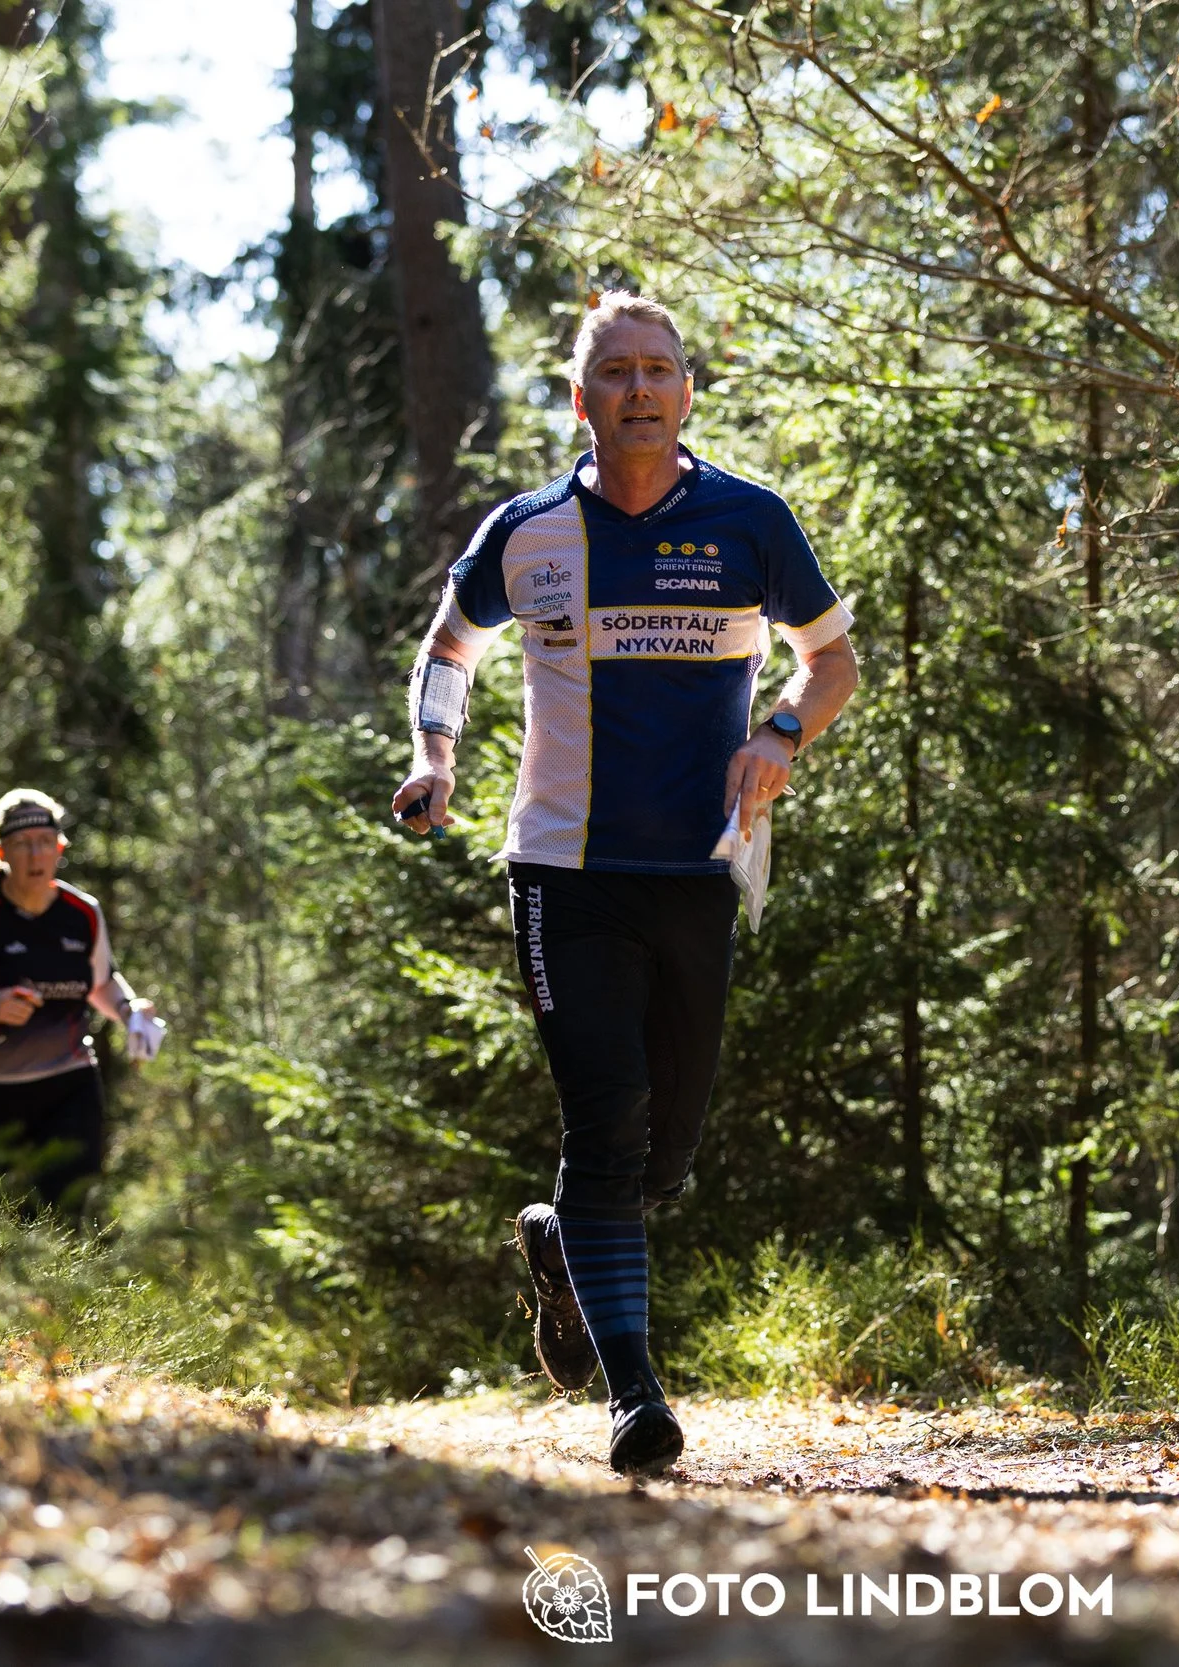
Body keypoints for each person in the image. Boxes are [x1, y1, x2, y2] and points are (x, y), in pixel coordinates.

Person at [391, 292, 860, 1475]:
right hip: (562, 869)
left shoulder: (750, 521)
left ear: (687, 391)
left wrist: (783, 733)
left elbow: (833, 659)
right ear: (580, 395)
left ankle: (562, 1241)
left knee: (663, 1155)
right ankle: (634, 1395)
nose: (640, 389)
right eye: (616, 372)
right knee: (605, 1122)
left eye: (659, 370)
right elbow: (448, 648)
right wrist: (432, 757)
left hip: (699, 870)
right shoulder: (528, 530)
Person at [0, 789, 167, 1220]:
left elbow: (100, 982)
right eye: (23, 845)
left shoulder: (83, 912)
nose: (35, 854)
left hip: (68, 1089)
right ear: (2, 852)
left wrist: (131, 1010)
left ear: (60, 849)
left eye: (45, 842)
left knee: (64, 1225)